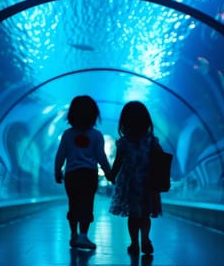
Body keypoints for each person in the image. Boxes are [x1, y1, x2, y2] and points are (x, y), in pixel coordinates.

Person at [55, 95, 112, 250]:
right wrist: (109, 173)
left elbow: (61, 155)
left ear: (71, 114)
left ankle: (73, 235)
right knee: (87, 205)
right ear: (94, 115)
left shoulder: (67, 134)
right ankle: (83, 236)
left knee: (73, 204)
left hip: (72, 175)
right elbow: (101, 156)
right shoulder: (96, 135)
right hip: (89, 175)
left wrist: (57, 171)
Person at [107, 101, 162, 255]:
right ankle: (145, 239)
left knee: (132, 215)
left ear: (124, 122)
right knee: (145, 214)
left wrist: (111, 175)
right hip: (147, 183)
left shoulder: (123, 142)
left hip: (130, 184)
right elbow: (161, 158)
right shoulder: (151, 140)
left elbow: (118, 162)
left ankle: (134, 243)